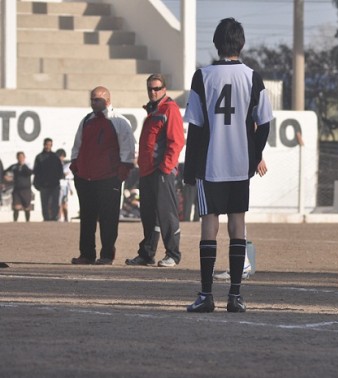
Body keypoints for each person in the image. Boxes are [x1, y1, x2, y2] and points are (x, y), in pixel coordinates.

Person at [183, 18, 273, 313]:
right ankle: (235, 296)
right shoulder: (252, 76)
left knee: (209, 225)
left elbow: (195, 127)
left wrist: (189, 168)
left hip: (210, 164)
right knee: (238, 226)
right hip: (238, 165)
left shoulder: (203, 76)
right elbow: (266, 122)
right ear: (241, 43)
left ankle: (206, 295)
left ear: (216, 43)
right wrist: (253, 154)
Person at [70, 86, 136, 265]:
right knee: (87, 217)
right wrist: (75, 166)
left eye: (97, 99)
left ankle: (106, 255)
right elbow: (77, 144)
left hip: (109, 178)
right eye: (92, 99)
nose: (93, 102)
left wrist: (122, 172)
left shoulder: (119, 121)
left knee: (108, 218)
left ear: (107, 100)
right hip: (85, 178)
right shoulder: (86, 121)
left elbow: (128, 148)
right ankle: (87, 254)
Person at [125, 74, 185, 268]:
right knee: (149, 215)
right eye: (150, 88)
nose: (153, 92)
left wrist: (165, 167)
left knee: (167, 214)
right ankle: (147, 254)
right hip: (148, 172)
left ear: (164, 89)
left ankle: (173, 254)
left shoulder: (170, 109)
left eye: (157, 88)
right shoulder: (153, 111)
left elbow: (176, 141)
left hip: (161, 172)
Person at [33, 138, 63, 221]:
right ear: (44, 145)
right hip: (44, 184)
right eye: (47, 144)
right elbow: (36, 171)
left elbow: (60, 169)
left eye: (50, 145)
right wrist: (36, 183)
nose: (48, 146)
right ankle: (46, 219)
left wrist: (58, 178)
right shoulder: (39, 157)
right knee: (44, 203)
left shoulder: (55, 156)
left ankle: (54, 218)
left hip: (54, 184)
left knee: (55, 202)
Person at [4, 152, 34, 222]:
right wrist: (7, 178)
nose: (20, 158)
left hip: (26, 189)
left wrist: (23, 166)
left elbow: (30, 172)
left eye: (22, 157)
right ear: (17, 158)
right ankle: (15, 222)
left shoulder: (27, 166)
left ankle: (27, 222)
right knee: (16, 207)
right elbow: (5, 172)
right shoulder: (14, 166)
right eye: (19, 157)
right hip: (17, 189)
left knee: (26, 207)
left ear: (24, 157)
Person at [55, 148, 74, 222]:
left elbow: (68, 178)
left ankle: (66, 218)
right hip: (58, 186)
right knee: (58, 203)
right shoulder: (55, 165)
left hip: (65, 186)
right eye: (60, 156)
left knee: (64, 202)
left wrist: (70, 188)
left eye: (62, 156)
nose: (61, 158)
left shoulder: (66, 165)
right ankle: (59, 217)